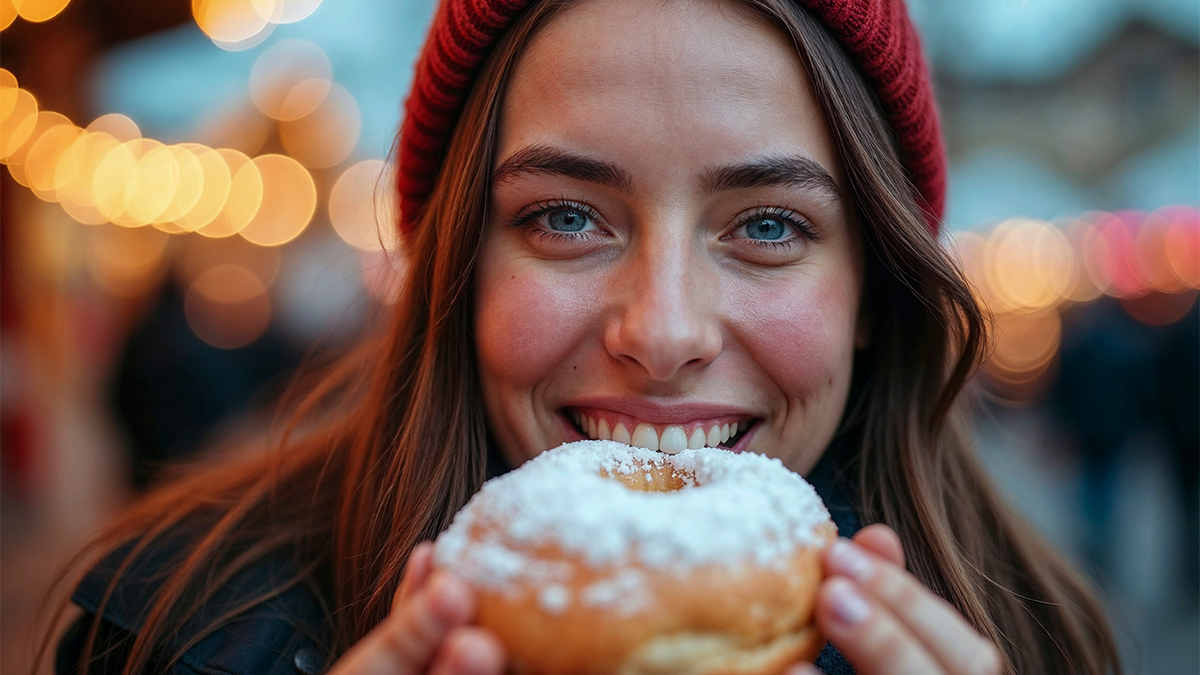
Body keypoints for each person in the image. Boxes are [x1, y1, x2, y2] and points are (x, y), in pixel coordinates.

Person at [41, 0, 1122, 674]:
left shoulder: (1043, 644)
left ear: (875, 292)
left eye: (769, 226)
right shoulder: (170, 631)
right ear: (458, 264)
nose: (661, 333)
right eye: (566, 217)